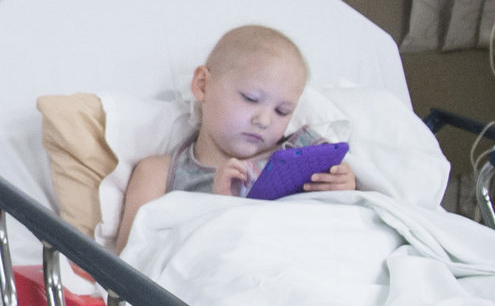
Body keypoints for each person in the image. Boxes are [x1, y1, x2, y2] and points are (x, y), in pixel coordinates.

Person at [111, 24, 357, 252]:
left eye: (282, 111)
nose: (264, 120)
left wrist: (344, 187)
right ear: (202, 85)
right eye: (250, 98)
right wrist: (218, 209)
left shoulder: (302, 155)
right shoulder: (160, 173)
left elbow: (337, 227)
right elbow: (130, 260)